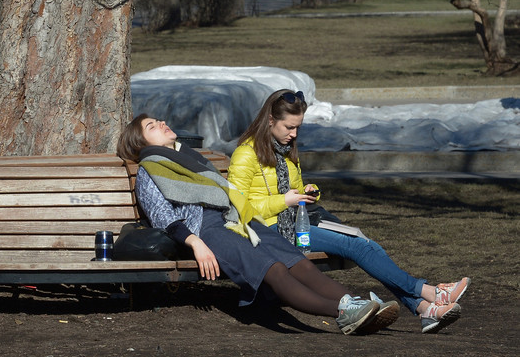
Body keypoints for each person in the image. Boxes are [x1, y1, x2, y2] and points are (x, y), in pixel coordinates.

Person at [117, 113, 392, 335]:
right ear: (141, 143)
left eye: (158, 120)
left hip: (237, 219)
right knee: (273, 269)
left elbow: (225, 192)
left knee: (296, 261)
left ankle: (354, 303)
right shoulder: (149, 170)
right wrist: (196, 243)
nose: (162, 123)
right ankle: (343, 314)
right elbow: (162, 216)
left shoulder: (188, 157)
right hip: (205, 230)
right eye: (152, 126)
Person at [227, 89, 470, 334]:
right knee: (358, 246)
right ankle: (428, 294)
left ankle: (423, 308)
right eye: (289, 127)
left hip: (296, 220)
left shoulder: (285, 152)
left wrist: (309, 192)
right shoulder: (246, 154)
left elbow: (295, 190)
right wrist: (283, 201)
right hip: (270, 229)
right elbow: (238, 207)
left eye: (298, 127)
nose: (294, 134)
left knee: (364, 242)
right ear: (270, 120)